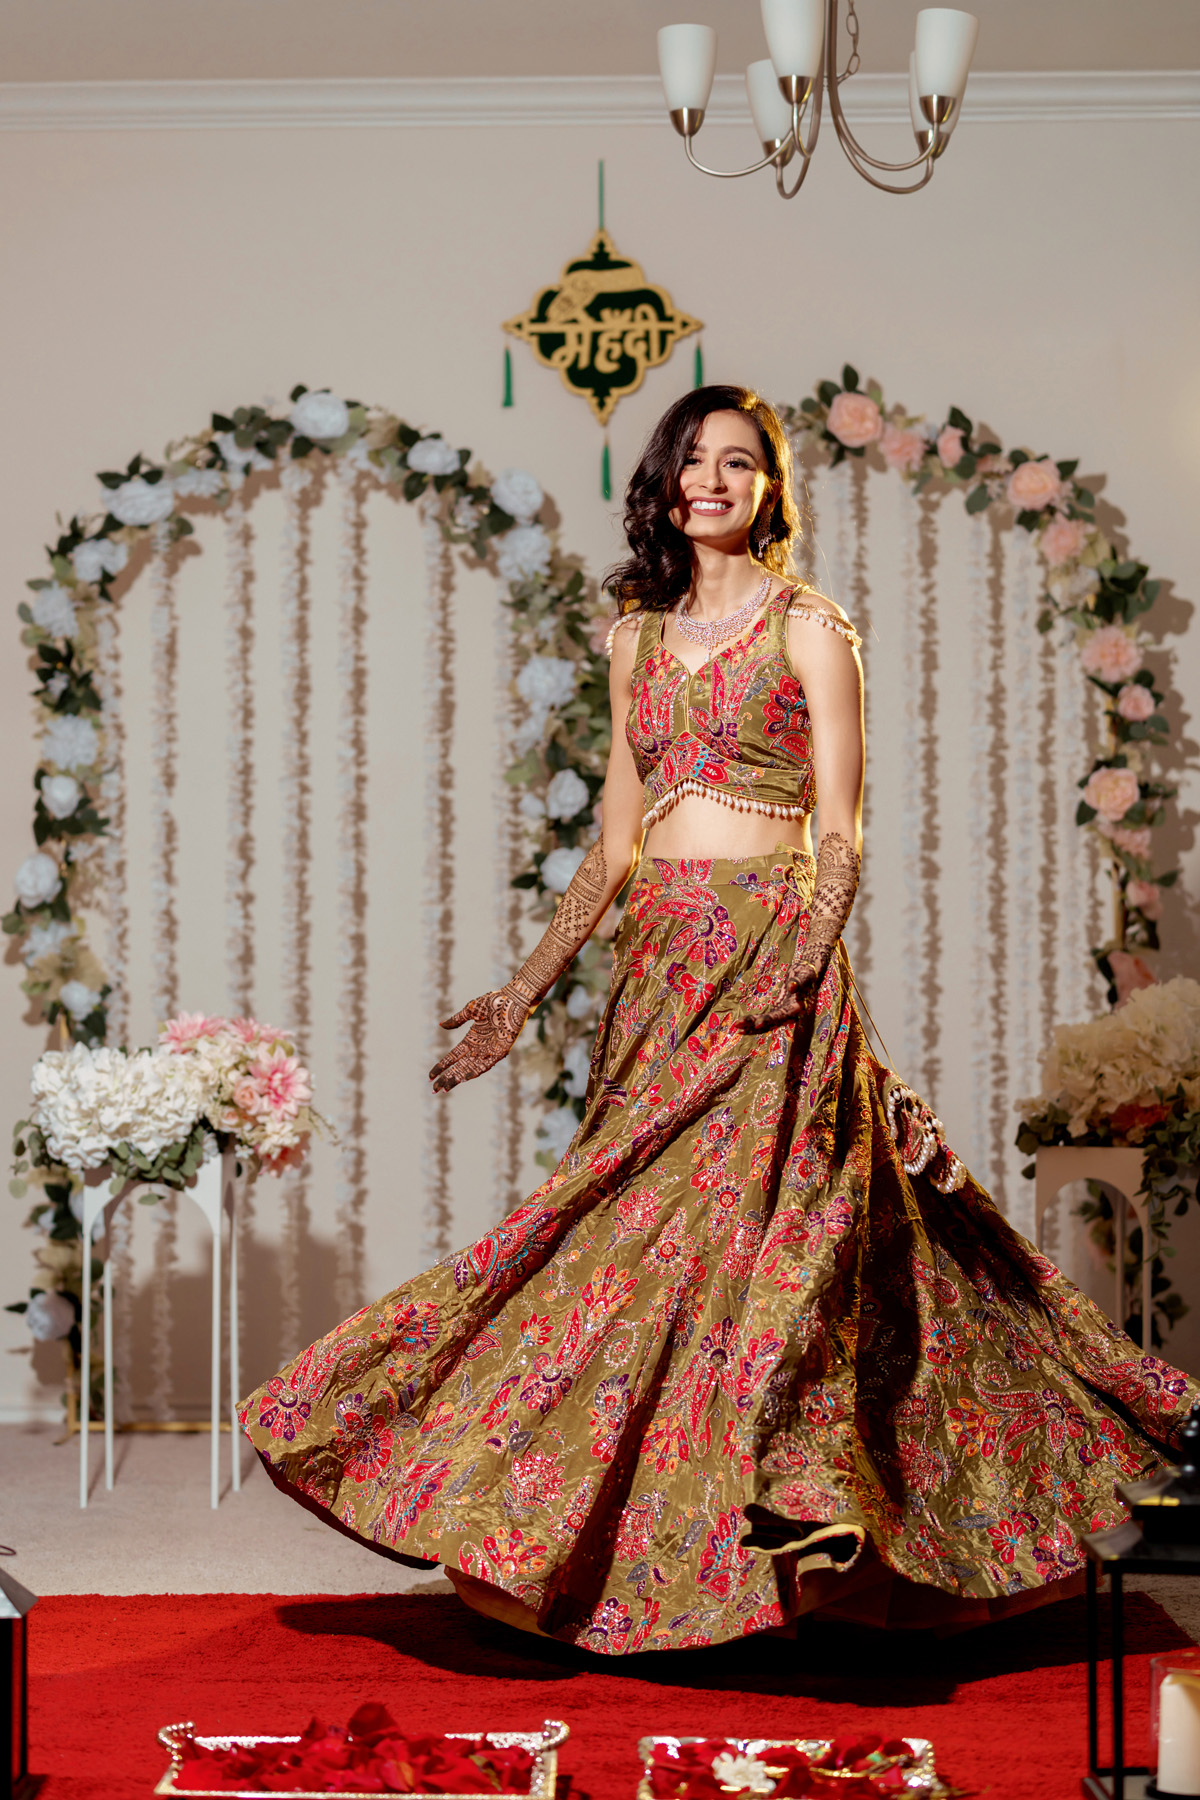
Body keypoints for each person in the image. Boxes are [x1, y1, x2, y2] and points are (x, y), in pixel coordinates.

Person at [240, 385, 1196, 1654]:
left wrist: (803, 957)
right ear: (663, 484)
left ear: (769, 488)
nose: (711, 479)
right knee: (627, 1251)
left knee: (773, 1253)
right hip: (658, 976)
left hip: (772, 963)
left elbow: (842, 828)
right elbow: (614, 843)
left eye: (738, 462)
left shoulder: (811, 627)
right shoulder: (633, 639)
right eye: (692, 460)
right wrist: (522, 993)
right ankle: (614, 1555)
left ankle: (794, 1541)